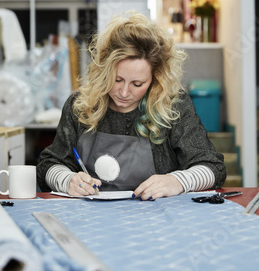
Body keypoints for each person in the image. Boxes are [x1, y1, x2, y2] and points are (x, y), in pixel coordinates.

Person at [36, 12, 226, 200]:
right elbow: (49, 164)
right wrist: (66, 179)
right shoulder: (80, 105)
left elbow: (212, 167)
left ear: (155, 78)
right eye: (117, 79)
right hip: (90, 220)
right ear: (104, 70)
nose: (124, 93)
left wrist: (178, 181)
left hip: (158, 221)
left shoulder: (173, 106)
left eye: (137, 84)